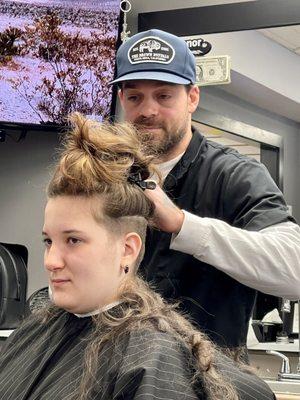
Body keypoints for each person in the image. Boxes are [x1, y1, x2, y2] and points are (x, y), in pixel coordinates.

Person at [0, 114, 275, 400]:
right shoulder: (33, 331)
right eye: (48, 241)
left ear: (127, 249)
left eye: (73, 240)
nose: (51, 261)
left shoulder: (149, 358)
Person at [111, 29, 300, 350]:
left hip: (208, 380)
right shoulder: (109, 173)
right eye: (135, 97)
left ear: (193, 98)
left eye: (164, 95)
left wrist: (183, 225)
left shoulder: (235, 174)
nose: (147, 110)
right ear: (122, 100)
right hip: (118, 371)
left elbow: (295, 270)